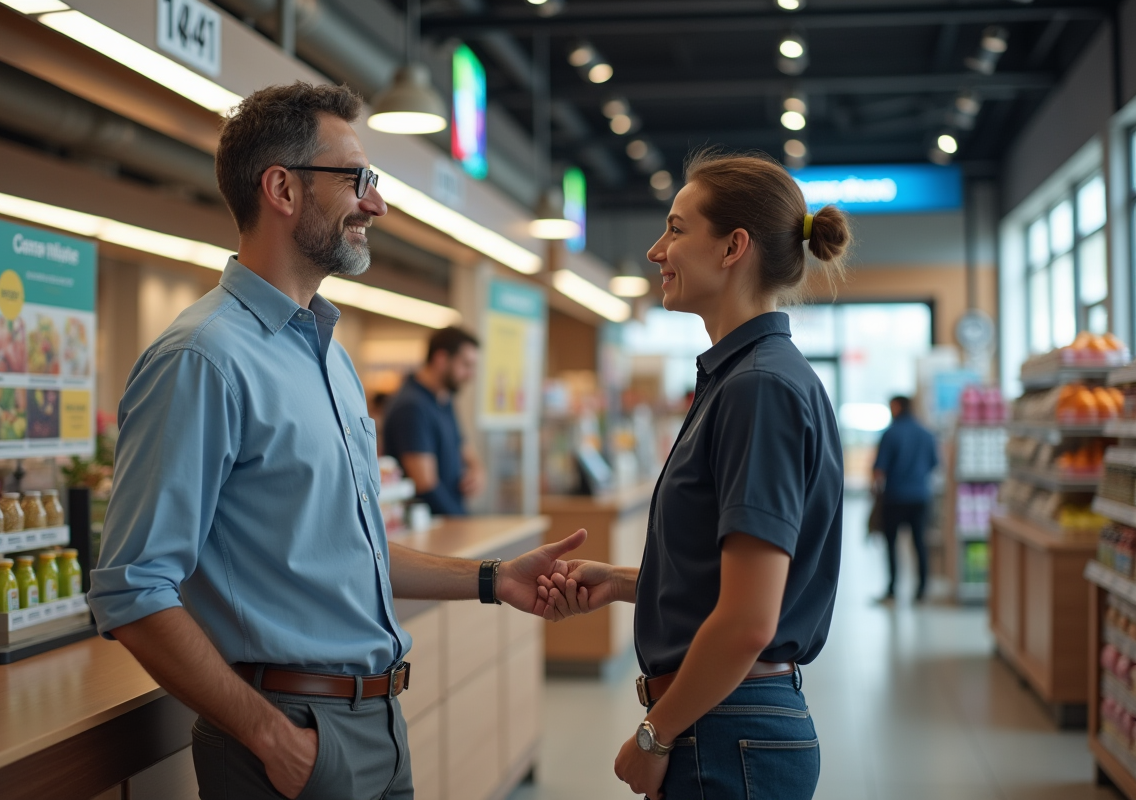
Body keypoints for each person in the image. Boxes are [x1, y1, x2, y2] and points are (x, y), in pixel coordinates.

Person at [86, 82, 585, 800]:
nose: (375, 204)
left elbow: (352, 551)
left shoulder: (328, 355)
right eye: (358, 180)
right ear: (282, 189)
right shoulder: (202, 360)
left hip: (378, 722)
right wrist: (270, 737)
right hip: (288, 735)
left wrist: (492, 578)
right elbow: (132, 588)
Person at [540, 150, 851, 800]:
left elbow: (748, 622)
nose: (657, 250)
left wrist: (655, 734)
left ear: (734, 246)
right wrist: (629, 583)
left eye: (677, 229)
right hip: (728, 719)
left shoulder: (758, 389)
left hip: (725, 727)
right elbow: (734, 579)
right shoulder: (743, 379)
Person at [383, 327, 484, 515]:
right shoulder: (412, 407)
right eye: (466, 365)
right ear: (441, 359)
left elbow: (462, 445)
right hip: (431, 527)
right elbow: (425, 486)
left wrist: (477, 470)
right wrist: (463, 521)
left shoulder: (443, 399)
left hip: (451, 520)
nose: (471, 375)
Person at [872, 394, 939, 602]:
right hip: (920, 495)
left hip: (895, 496)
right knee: (920, 543)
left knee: (891, 543)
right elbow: (934, 464)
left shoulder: (890, 434)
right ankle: (922, 589)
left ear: (898, 407)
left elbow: (879, 470)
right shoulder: (927, 434)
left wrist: (874, 493)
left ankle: (892, 589)